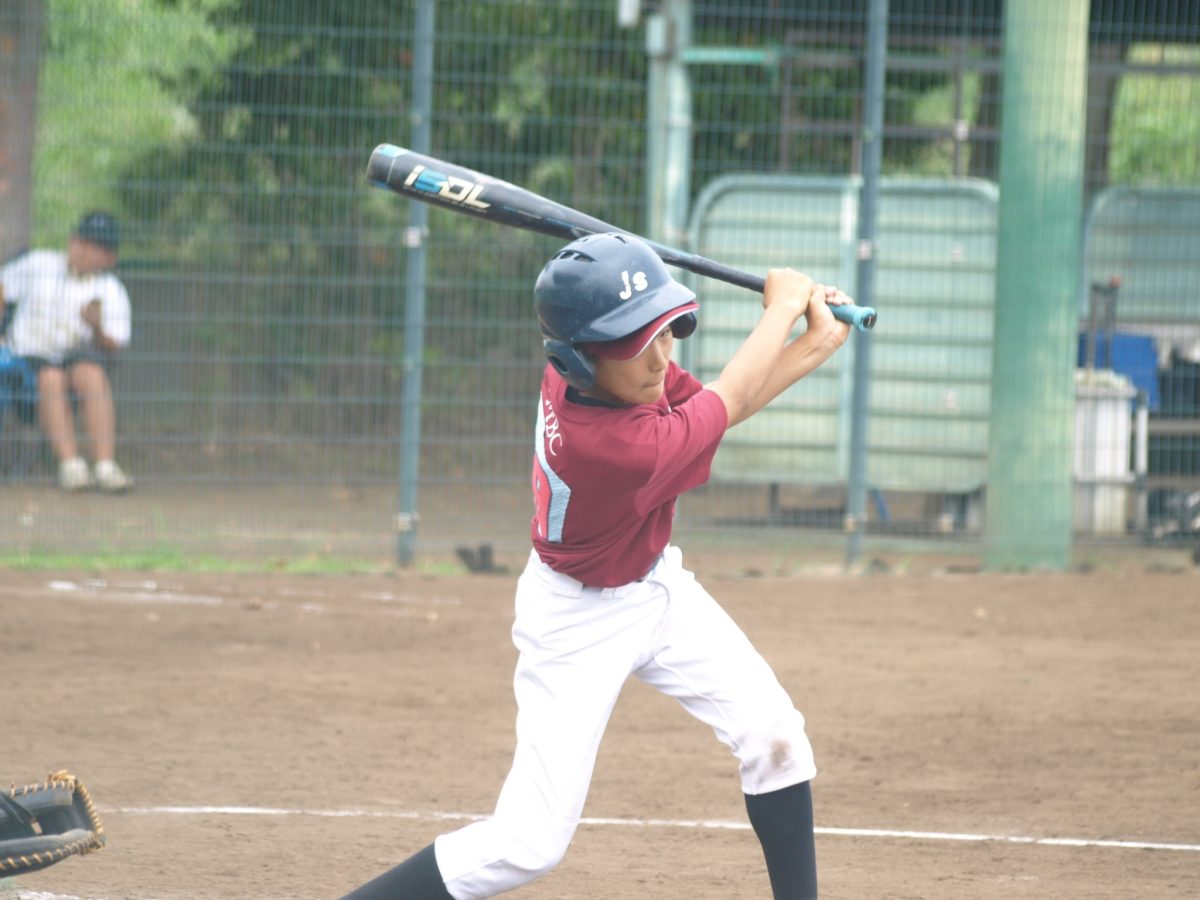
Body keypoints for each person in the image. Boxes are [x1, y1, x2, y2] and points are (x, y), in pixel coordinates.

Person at [342, 232, 852, 900]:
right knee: (528, 843)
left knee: (774, 736)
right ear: (578, 361)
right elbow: (725, 400)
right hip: (576, 621)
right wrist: (781, 311)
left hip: (657, 586)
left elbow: (721, 406)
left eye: (663, 332)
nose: (659, 358)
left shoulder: (605, 377)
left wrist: (816, 341)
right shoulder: (616, 448)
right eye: (633, 344)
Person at [0, 211, 133, 491]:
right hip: (28, 363)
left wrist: (96, 327)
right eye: (82, 241)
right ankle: (71, 465)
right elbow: (3, 284)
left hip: (76, 362)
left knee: (90, 373)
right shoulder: (39, 263)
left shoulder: (111, 289)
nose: (83, 250)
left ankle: (105, 466)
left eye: (95, 247)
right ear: (72, 240)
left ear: (109, 258)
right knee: (50, 376)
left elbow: (116, 344)